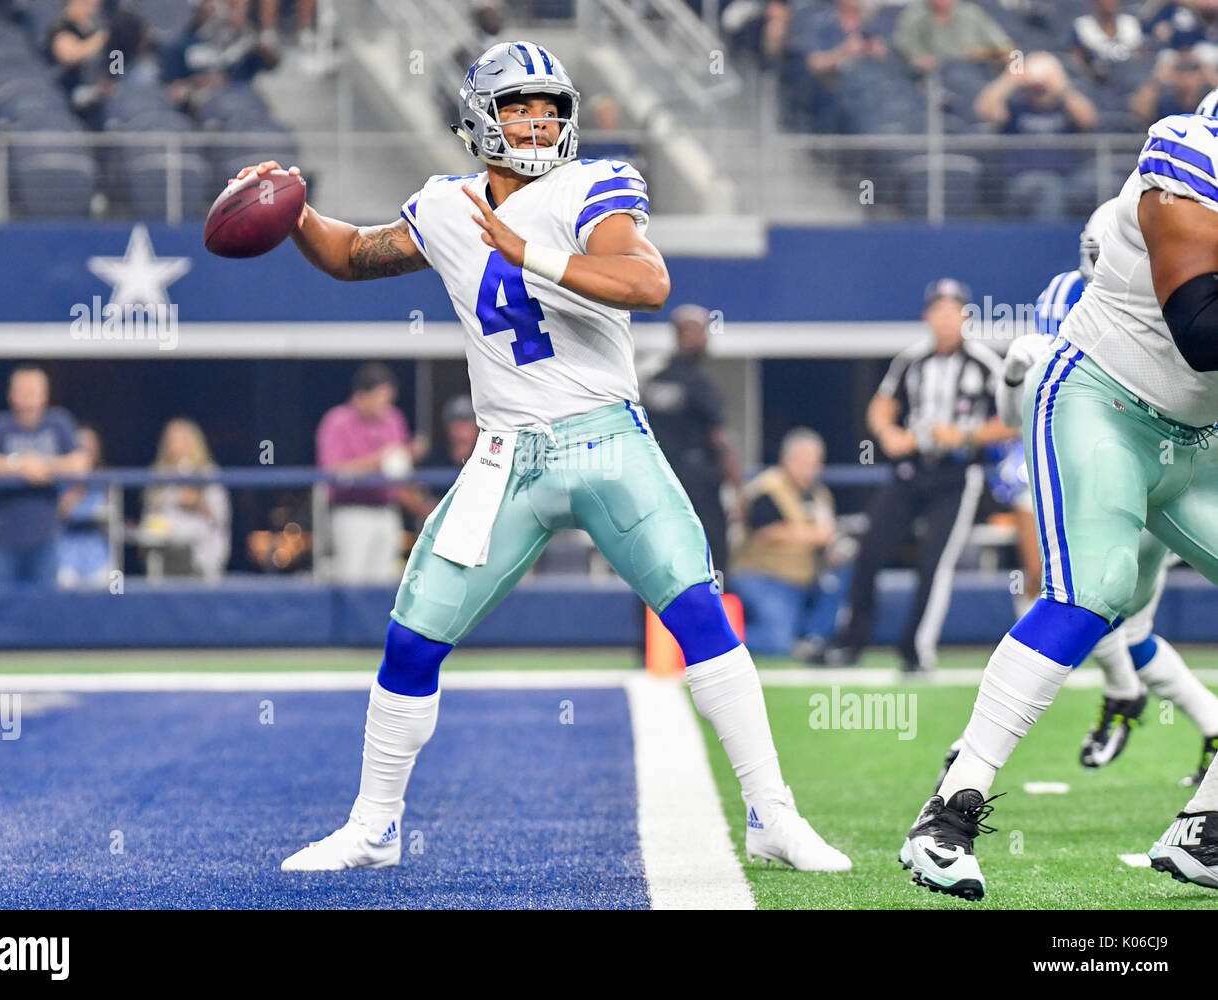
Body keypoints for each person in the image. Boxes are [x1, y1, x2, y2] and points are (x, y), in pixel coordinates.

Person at [238, 39, 850, 873]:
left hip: (603, 435)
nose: (538, 122)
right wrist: (295, 212)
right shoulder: (445, 207)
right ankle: (374, 827)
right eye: (519, 106)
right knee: (413, 637)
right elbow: (352, 255)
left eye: (550, 107)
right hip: (505, 457)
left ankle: (772, 813)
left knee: (698, 609)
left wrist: (534, 254)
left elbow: (647, 282)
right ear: (478, 118)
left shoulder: (593, 186)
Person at [901, 86, 1218, 899]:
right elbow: (1202, 327)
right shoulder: (1186, 160)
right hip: (1103, 404)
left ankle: (1204, 830)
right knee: (1096, 593)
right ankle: (948, 813)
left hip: (1199, 439)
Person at [959, 201, 1218, 784]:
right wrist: (1015, 376)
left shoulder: (1183, 288)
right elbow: (1027, 408)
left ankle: (1123, 697)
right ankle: (1187, 717)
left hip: (1182, 460)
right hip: (1107, 453)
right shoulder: (1067, 295)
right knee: (1108, 612)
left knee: (1097, 604)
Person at [819, 279, 1014, 673]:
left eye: (952, 310)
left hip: (957, 474)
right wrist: (888, 433)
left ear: (965, 316)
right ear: (928, 316)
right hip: (910, 470)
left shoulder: (985, 363)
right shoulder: (910, 360)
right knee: (870, 549)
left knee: (933, 563)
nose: (945, 318)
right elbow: (881, 407)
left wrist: (966, 435)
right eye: (938, 310)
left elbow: (1013, 421)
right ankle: (850, 642)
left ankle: (915, 651)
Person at [730, 428, 854, 657]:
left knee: (842, 571)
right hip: (762, 576)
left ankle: (813, 638)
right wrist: (815, 535)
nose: (810, 470)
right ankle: (713, 638)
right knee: (777, 641)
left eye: (814, 464)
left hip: (803, 580)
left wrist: (833, 548)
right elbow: (766, 530)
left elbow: (828, 536)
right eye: (804, 462)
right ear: (787, 460)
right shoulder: (767, 487)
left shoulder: (819, 494)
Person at [642, 304, 743, 577]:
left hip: (659, 484)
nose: (706, 338)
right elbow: (719, 439)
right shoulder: (699, 384)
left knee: (660, 556)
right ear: (685, 333)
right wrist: (738, 491)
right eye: (701, 331)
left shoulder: (654, 381)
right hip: (698, 486)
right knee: (711, 556)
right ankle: (710, 615)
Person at [0, 366, 91, 585]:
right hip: (2, 537)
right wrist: (19, 464)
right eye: (22, 390)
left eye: (33, 390)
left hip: (45, 535)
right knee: (0, 607)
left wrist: (43, 465)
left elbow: (81, 464)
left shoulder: (59, 422)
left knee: (43, 607)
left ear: (45, 395)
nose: (28, 396)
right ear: (11, 395)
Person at [316, 363, 426, 584]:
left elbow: (398, 468)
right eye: (380, 398)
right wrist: (377, 461)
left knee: (385, 581)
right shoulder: (337, 421)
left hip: (387, 511)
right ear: (360, 396)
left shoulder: (393, 419)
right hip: (351, 512)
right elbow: (331, 471)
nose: (384, 405)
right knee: (352, 581)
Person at [974, 51, 1099, 220]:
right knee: (1049, 188)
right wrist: (1011, 79)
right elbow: (984, 110)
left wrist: (1061, 87)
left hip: (1068, 178)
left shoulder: (1066, 106)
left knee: (1106, 182)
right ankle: (1052, 242)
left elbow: (1089, 119)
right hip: (1023, 180)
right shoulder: (1016, 107)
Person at [139, 418, 230, 579]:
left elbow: (221, 517)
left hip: (199, 554)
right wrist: (157, 498)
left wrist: (197, 503)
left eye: (181, 439)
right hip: (166, 553)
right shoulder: (158, 475)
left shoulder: (208, 473)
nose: (175, 444)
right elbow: (149, 515)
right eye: (170, 439)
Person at [57, 424, 112, 589]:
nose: (86, 451)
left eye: (90, 446)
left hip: (98, 550)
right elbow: (61, 512)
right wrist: (78, 487)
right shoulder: (58, 480)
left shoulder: (105, 479)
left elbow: (108, 514)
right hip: (64, 550)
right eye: (81, 446)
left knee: (113, 588)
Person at [892, 0, 1012, 75]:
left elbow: (1006, 48)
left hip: (973, 73)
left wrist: (981, 53)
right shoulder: (914, 16)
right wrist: (919, 59)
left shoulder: (971, 13)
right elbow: (904, 46)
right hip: (931, 78)